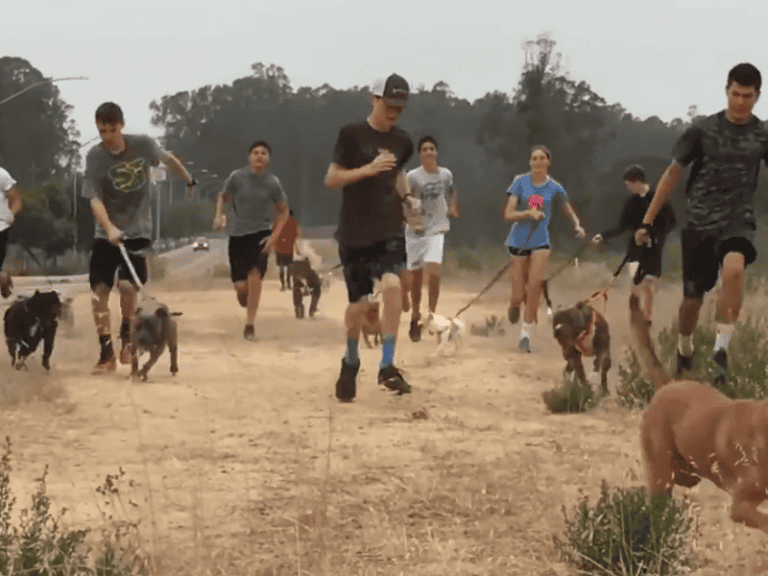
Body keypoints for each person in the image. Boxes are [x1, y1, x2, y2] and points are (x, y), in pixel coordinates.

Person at [635, 63, 768, 383]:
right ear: (726, 91)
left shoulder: (762, 135)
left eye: (747, 96)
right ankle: (685, 350)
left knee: (735, 270)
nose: (739, 102)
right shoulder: (702, 131)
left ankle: (721, 354)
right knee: (692, 301)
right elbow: (672, 175)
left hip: (738, 219)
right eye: (735, 94)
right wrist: (648, 221)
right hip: (699, 222)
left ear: (758, 96)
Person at [324, 73, 421, 402]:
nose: (394, 112)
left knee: (394, 286)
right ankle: (351, 361)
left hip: (389, 230)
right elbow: (332, 178)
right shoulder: (351, 135)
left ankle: (387, 364)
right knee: (359, 308)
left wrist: (408, 200)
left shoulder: (403, 142)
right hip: (354, 233)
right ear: (374, 99)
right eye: (389, 105)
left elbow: (398, 175)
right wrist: (367, 169)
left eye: (400, 107)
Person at [83, 102, 196, 375]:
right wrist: (108, 227)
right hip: (106, 232)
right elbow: (94, 198)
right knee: (99, 292)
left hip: (138, 231)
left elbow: (169, 160)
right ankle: (105, 352)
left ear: (121, 125)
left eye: (112, 129)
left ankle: (126, 337)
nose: (107, 136)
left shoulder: (143, 145)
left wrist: (189, 180)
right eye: (102, 131)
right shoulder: (95, 157)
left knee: (126, 288)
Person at [504, 145, 586, 353]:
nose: (538, 162)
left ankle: (526, 334)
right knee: (517, 294)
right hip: (518, 241)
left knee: (534, 288)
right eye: (534, 158)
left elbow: (567, 209)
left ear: (548, 163)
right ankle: (514, 306)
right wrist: (528, 214)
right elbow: (508, 213)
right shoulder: (520, 182)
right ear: (530, 162)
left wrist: (577, 224)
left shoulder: (555, 187)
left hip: (541, 241)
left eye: (542, 158)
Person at [213, 140, 290, 341]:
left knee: (255, 277)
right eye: (255, 152)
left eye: (264, 153)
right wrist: (219, 216)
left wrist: (274, 236)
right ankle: (243, 296)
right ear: (249, 157)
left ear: (268, 158)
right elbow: (223, 196)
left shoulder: (273, 183)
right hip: (238, 235)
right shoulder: (237, 178)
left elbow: (283, 211)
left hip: (261, 235)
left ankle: (249, 325)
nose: (259, 156)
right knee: (241, 288)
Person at [592, 164, 676, 322]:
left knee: (648, 284)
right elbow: (622, 226)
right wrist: (603, 236)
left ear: (636, 182)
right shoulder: (631, 202)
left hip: (653, 249)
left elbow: (671, 223)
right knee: (636, 284)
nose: (627, 187)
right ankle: (635, 315)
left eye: (628, 184)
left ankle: (647, 318)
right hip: (635, 250)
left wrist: (653, 236)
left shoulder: (659, 198)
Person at [400, 135, 459, 342]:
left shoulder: (445, 174)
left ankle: (431, 315)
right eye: (424, 149)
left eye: (431, 148)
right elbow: (404, 198)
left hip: (437, 229)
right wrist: (411, 213)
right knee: (415, 279)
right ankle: (415, 315)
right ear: (420, 154)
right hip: (417, 231)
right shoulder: (413, 176)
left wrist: (452, 207)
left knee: (433, 273)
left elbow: (452, 191)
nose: (428, 152)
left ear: (436, 152)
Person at [0, 167, 22, 298]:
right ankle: (3, 277)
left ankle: (2, 277)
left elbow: (16, 200)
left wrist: (11, 215)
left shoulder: (2, 174)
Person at [275, 209, 299, 291]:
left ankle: (283, 285)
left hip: (279, 249)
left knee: (281, 268)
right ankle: (288, 284)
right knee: (289, 268)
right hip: (289, 249)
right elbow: (295, 236)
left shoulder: (279, 222)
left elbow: (274, 235)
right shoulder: (293, 222)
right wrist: (297, 249)